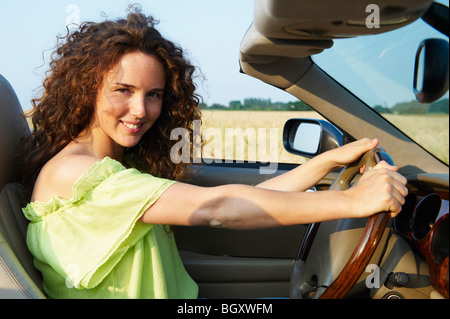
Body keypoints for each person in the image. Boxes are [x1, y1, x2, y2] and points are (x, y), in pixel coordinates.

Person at [19, 7, 408, 299]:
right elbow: (217, 209)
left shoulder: (111, 166)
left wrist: (323, 164)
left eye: (153, 95)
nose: (141, 110)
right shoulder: (80, 175)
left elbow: (240, 201)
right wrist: (353, 202)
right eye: (123, 90)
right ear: (87, 89)